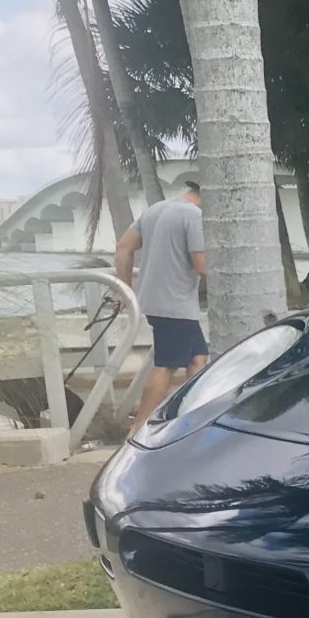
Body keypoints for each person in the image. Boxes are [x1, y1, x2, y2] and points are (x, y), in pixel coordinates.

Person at [114, 179, 208, 432]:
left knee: (197, 358)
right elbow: (202, 266)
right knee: (166, 365)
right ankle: (139, 429)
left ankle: (193, 419)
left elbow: (123, 247)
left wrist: (126, 291)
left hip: (155, 301)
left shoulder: (155, 210)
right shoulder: (194, 216)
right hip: (175, 304)